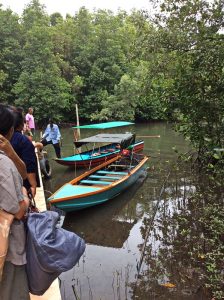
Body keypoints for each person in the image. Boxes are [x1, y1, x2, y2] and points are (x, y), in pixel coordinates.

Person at [0, 103, 30, 300]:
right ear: (11, 130)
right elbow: (18, 211)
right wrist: (25, 196)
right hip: (8, 251)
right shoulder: (4, 165)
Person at [11, 109, 38, 197]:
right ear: (21, 124)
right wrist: (33, 185)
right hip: (23, 184)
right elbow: (29, 166)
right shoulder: (23, 141)